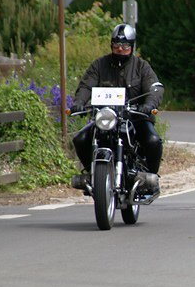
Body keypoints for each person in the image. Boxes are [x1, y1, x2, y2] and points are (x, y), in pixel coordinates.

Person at [70, 23, 164, 192]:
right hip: (106, 118)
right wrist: (79, 102)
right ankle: (92, 174)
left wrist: (148, 105)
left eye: (125, 46)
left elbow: (154, 88)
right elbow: (86, 86)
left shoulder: (141, 67)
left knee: (153, 140)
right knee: (80, 139)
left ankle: (151, 178)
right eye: (116, 45)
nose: (120, 49)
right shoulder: (99, 65)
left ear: (132, 46)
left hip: (134, 117)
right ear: (111, 45)